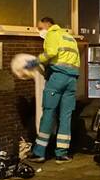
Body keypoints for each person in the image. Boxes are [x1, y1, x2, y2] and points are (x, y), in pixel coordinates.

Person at [31, 16, 81, 164]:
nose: (39, 31)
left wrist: (35, 61)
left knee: (48, 114)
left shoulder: (53, 34)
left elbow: (51, 53)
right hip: (72, 80)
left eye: (40, 28)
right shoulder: (69, 37)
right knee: (65, 117)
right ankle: (62, 153)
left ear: (48, 24)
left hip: (57, 78)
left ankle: (39, 152)